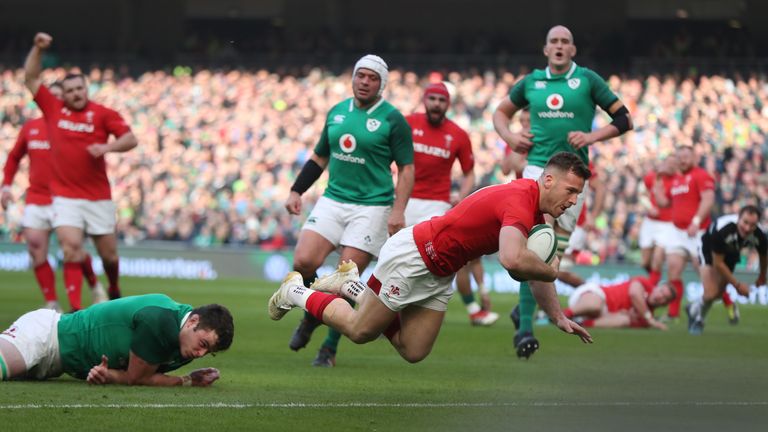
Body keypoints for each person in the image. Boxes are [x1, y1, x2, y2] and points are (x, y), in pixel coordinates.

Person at [269, 152, 593, 363]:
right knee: (359, 330)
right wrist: (552, 272)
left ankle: (352, 285)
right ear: (548, 180)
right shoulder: (521, 201)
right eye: (571, 190)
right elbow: (512, 260)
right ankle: (296, 291)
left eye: (578, 194)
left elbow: (530, 269)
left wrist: (556, 315)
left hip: (441, 271)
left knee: (414, 350)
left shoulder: (533, 213)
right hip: (416, 256)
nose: (574, 200)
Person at [493, 25, 633, 358]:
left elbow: (624, 119)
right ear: (545, 49)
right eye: (553, 41)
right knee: (536, 248)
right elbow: (500, 113)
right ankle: (525, 329)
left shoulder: (587, 80)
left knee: (550, 258)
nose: (558, 46)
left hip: (574, 178)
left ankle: (524, 312)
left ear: (573, 49)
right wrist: (511, 138)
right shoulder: (531, 82)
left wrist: (592, 137)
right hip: (538, 170)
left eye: (564, 42)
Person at [283, 54, 414, 367]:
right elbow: (319, 158)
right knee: (303, 260)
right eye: (360, 76)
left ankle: (328, 349)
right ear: (353, 78)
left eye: (372, 78)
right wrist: (297, 189)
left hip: (372, 206)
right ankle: (312, 313)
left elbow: (407, 169)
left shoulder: (393, 119)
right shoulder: (337, 112)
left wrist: (398, 210)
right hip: (334, 199)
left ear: (381, 84)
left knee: (344, 278)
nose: (365, 82)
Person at [23, 33, 138, 310]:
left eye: (79, 89)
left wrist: (107, 148)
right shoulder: (54, 109)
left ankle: (113, 286)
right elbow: (30, 79)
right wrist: (38, 49)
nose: (75, 94)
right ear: (65, 93)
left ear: (86, 89)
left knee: (109, 256)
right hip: (65, 197)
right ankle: (75, 309)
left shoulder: (102, 114)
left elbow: (130, 139)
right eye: (70, 90)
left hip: (98, 196)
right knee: (70, 248)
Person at [2, 82, 108, 312]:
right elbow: (13, 158)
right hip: (38, 198)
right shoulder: (30, 128)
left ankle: (79, 303)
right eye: (54, 97)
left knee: (72, 248)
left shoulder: (75, 128)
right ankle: (52, 302)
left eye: (61, 97)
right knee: (35, 246)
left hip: (68, 197)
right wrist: (6, 186)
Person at [404, 82, 497, 326]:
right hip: (405, 202)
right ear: (425, 100)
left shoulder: (458, 134)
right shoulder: (407, 123)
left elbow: (469, 173)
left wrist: (462, 196)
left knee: (446, 262)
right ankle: (385, 315)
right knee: (398, 259)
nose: (436, 103)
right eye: (432, 98)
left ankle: (472, 310)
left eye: (441, 100)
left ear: (448, 104)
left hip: (438, 206)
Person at [0, 294, 234, 385]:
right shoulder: (163, 323)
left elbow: (146, 375)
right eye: (203, 344)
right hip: (45, 335)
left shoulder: (185, 341)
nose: (201, 354)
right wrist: (187, 381)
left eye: (208, 351)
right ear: (192, 321)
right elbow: (137, 378)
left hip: (55, 365)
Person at [686, 206, 767, 335]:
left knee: (718, 294)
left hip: (731, 253)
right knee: (710, 292)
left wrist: (762, 275)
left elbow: (764, 255)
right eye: (745, 222)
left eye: (752, 225)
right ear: (738, 219)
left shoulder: (759, 235)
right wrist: (738, 285)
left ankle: (693, 308)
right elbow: (718, 263)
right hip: (708, 249)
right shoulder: (723, 229)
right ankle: (699, 319)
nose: (747, 228)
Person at [655, 145, 715, 320]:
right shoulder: (675, 179)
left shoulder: (700, 175)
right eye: (679, 157)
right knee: (673, 269)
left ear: (694, 158)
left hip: (698, 233)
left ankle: (726, 302)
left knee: (705, 276)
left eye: (686, 156)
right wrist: (659, 180)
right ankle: (673, 313)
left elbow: (708, 199)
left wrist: (696, 221)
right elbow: (663, 203)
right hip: (678, 233)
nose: (682, 160)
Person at [564, 277, 676, 330]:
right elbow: (634, 294)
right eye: (661, 291)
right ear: (656, 288)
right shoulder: (644, 283)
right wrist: (649, 318)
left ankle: (581, 325)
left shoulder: (645, 320)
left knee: (623, 320)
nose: (660, 296)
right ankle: (563, 315)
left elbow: (628, 322)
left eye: (664, 298)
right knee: (596, 306)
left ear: (664, 305)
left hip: (603, 314)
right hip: (597, 294)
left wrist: (628, 315)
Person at [638, 154, 678, 285]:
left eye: (674, 164)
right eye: (669, 163)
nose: (671, 167)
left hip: (667, 225)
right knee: (644, 262)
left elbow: (665, 202)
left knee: (657, 258)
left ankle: (652, 288)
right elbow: (642, 193)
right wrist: (649, 207)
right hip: (650, 222)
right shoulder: (652, 176)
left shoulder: (677, 181)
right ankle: (656, 281)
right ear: (664, 163)